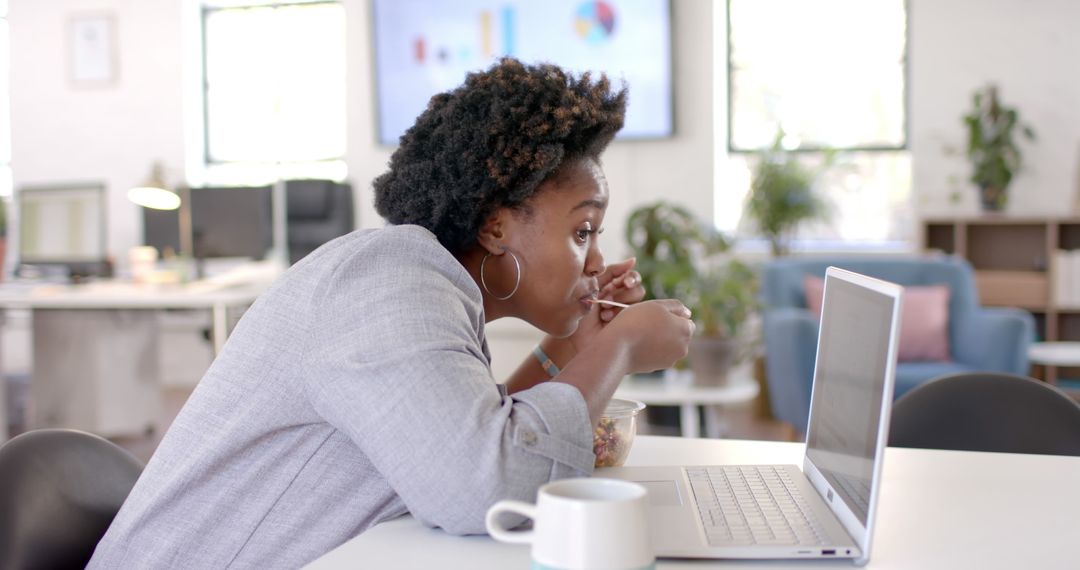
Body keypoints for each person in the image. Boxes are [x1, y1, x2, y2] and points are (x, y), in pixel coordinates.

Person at [89, 58, 694, 569]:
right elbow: (484, 483)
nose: (598, 260)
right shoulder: (389, 278)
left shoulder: (419, 280)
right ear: (495, 225)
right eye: (583, 230)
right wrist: (618, 350)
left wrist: (577, 349)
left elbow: (470, 436)